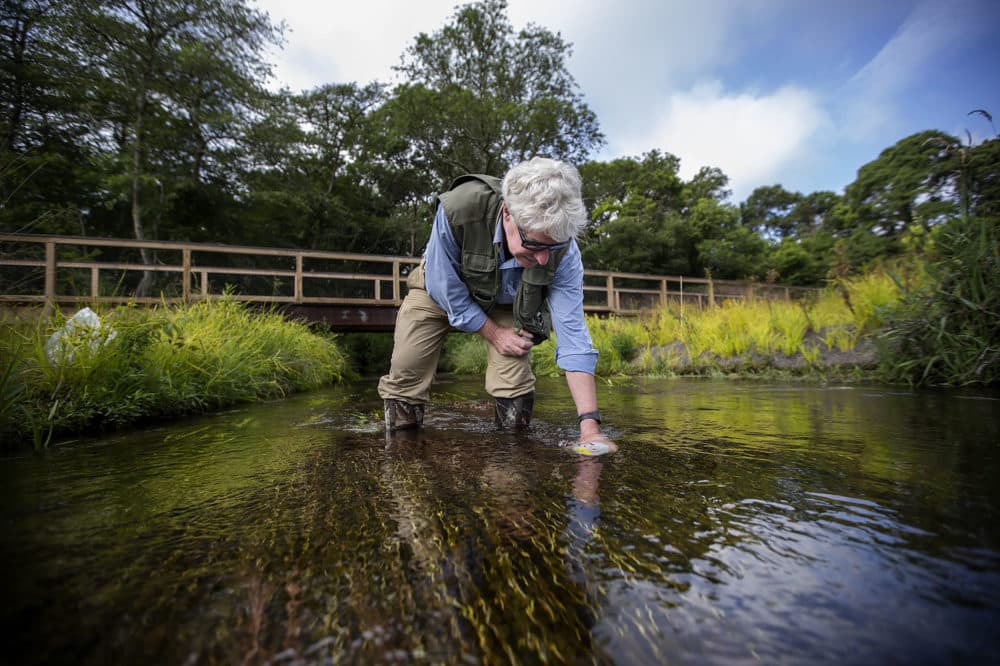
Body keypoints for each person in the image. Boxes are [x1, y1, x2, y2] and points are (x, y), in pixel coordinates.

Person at [378, 157, 617, 452]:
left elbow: (573, 337)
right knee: (406, 371)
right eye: (536, 245)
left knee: (514, 385)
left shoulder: (563, 250)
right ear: (507, 214)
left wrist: (590, 427)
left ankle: (511, 469)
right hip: (438, 291)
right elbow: (444, 287)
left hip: (507, 302)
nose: (544, 259)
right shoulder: (459, 207)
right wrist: (492, 333)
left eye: (551, 248)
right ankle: (404, 457)